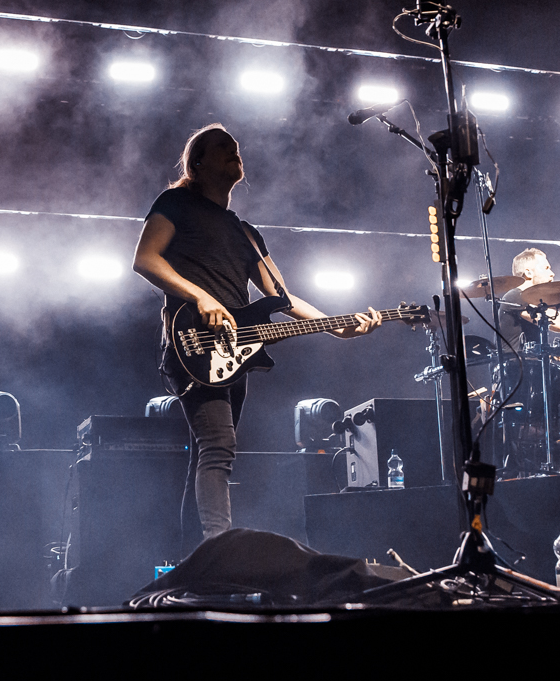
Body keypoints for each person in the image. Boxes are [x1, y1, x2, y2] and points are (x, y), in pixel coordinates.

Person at [132, 124, 382, 549]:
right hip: (193, 341)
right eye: (222, 148)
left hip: (235, 350)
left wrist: (335, 325)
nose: (235, 152)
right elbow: (145, 259)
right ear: (197, 163)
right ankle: (220, 549)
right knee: (218, 446)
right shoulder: (175, 202)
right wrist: (201, 297)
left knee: (210, 453)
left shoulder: (245, 231)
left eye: (236, 148)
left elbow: (281, 297)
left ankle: (194, 561)